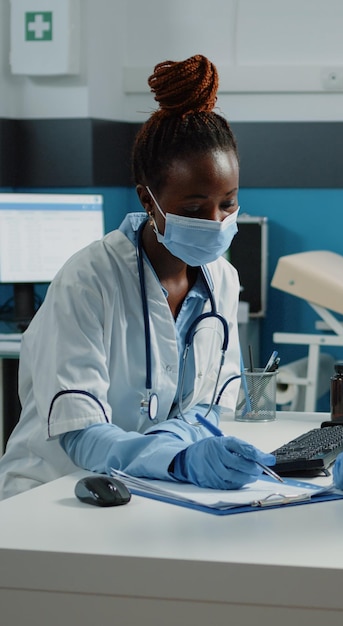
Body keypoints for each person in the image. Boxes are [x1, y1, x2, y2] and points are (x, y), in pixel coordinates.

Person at [0, 54, 275, 500]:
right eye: (192, 209)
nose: (216, 221)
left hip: (143, 491)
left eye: (228, 203)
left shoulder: (222, 279)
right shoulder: (88, 281)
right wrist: (177, 460)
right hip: (52, 493)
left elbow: (206, 406)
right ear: (148, 200)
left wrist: (183, 451)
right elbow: (81, 433)